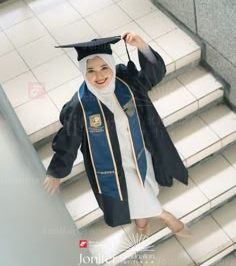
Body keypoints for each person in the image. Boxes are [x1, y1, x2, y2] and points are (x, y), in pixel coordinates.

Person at [43, 32, 192, 237]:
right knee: (134, 191)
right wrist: (56, 173)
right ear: (83, 72)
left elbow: (153, 75)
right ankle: (165, 216)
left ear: (112, 65)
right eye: (91, 70)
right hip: (114, 165)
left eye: (104, 67)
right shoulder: (80, 106)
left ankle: (141, 222)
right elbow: (68, 140)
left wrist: (142, 47)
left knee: (144, 186)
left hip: (140, 152)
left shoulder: (125, 82)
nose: (99, 75)